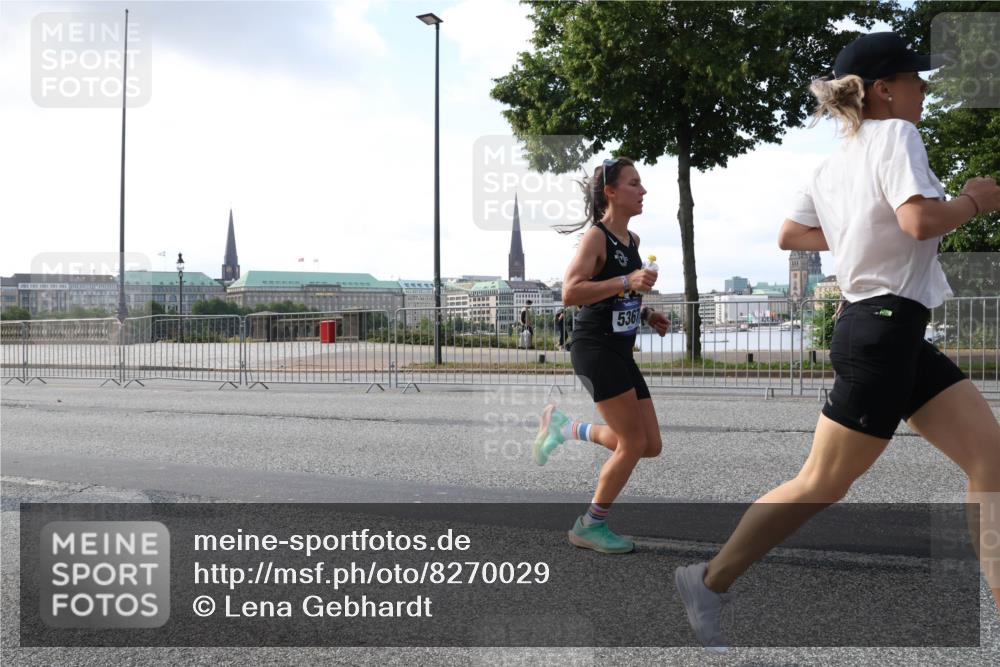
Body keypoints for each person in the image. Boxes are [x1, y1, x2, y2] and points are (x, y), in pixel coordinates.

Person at [674, 32, 1000, 653]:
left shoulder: (832, 163)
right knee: (819, 482)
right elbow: (918, 221)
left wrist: (857, 231)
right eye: (914, 78)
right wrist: (974, 202)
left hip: (895, 331)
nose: (923, 88)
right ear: (883, 90)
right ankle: (709, 581)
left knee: (992, 459)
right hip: (881, 331)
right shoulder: (897, 135)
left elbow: (790, 234)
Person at [533, 157, 670, 553]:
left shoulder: (633, 241)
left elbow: (617, 296)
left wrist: (646, 313)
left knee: (650, 445)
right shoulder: (596, 238)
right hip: (594, 348)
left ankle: (565, 428)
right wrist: (628, 280)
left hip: (620, 350)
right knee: (632, 443)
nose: (643, 190)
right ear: (611, 192)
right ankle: (589, 525)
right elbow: (571, 292)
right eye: (634, 183)